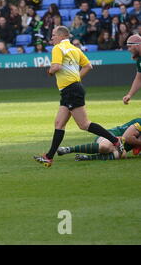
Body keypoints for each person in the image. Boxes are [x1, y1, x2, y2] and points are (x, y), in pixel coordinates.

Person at [33, 26, 125, 168]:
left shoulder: (58, 48)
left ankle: (115, 141)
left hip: (71, 90)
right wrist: (76, 79)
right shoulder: (75, 49)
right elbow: (88, 66)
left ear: (61, 36)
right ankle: (49, 157)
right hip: (70, 90)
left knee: (84, 124)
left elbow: (56, 67)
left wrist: (50, 71)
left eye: (53, 35)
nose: (51, 38)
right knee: (59, 124)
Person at [57, 118, 141, 161]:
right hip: (111, 136)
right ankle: (68, 149)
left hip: (119, 147)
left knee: (120, 155)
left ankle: (86, 158)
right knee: (105, 147)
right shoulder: (139, 122)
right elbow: (127, 137)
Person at [122, 34, 141, 105]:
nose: (128, 50)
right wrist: (129, 95)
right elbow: (139, 79)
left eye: (130, 47)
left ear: (137, 45)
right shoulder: (139, 60)